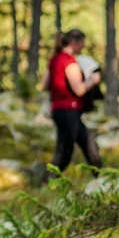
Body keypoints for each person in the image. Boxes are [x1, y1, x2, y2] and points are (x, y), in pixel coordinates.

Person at [44, 29, 102, 172]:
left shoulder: (54, 59)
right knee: (64, 152)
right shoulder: (70, 62)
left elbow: (45, 85)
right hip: (69, 111)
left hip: (58, 110)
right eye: (82, 43)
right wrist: (93, 80)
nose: (83, 47)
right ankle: (48, 181)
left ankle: (101, 176)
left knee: (87, 142)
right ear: (74, 43)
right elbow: (79, 89)